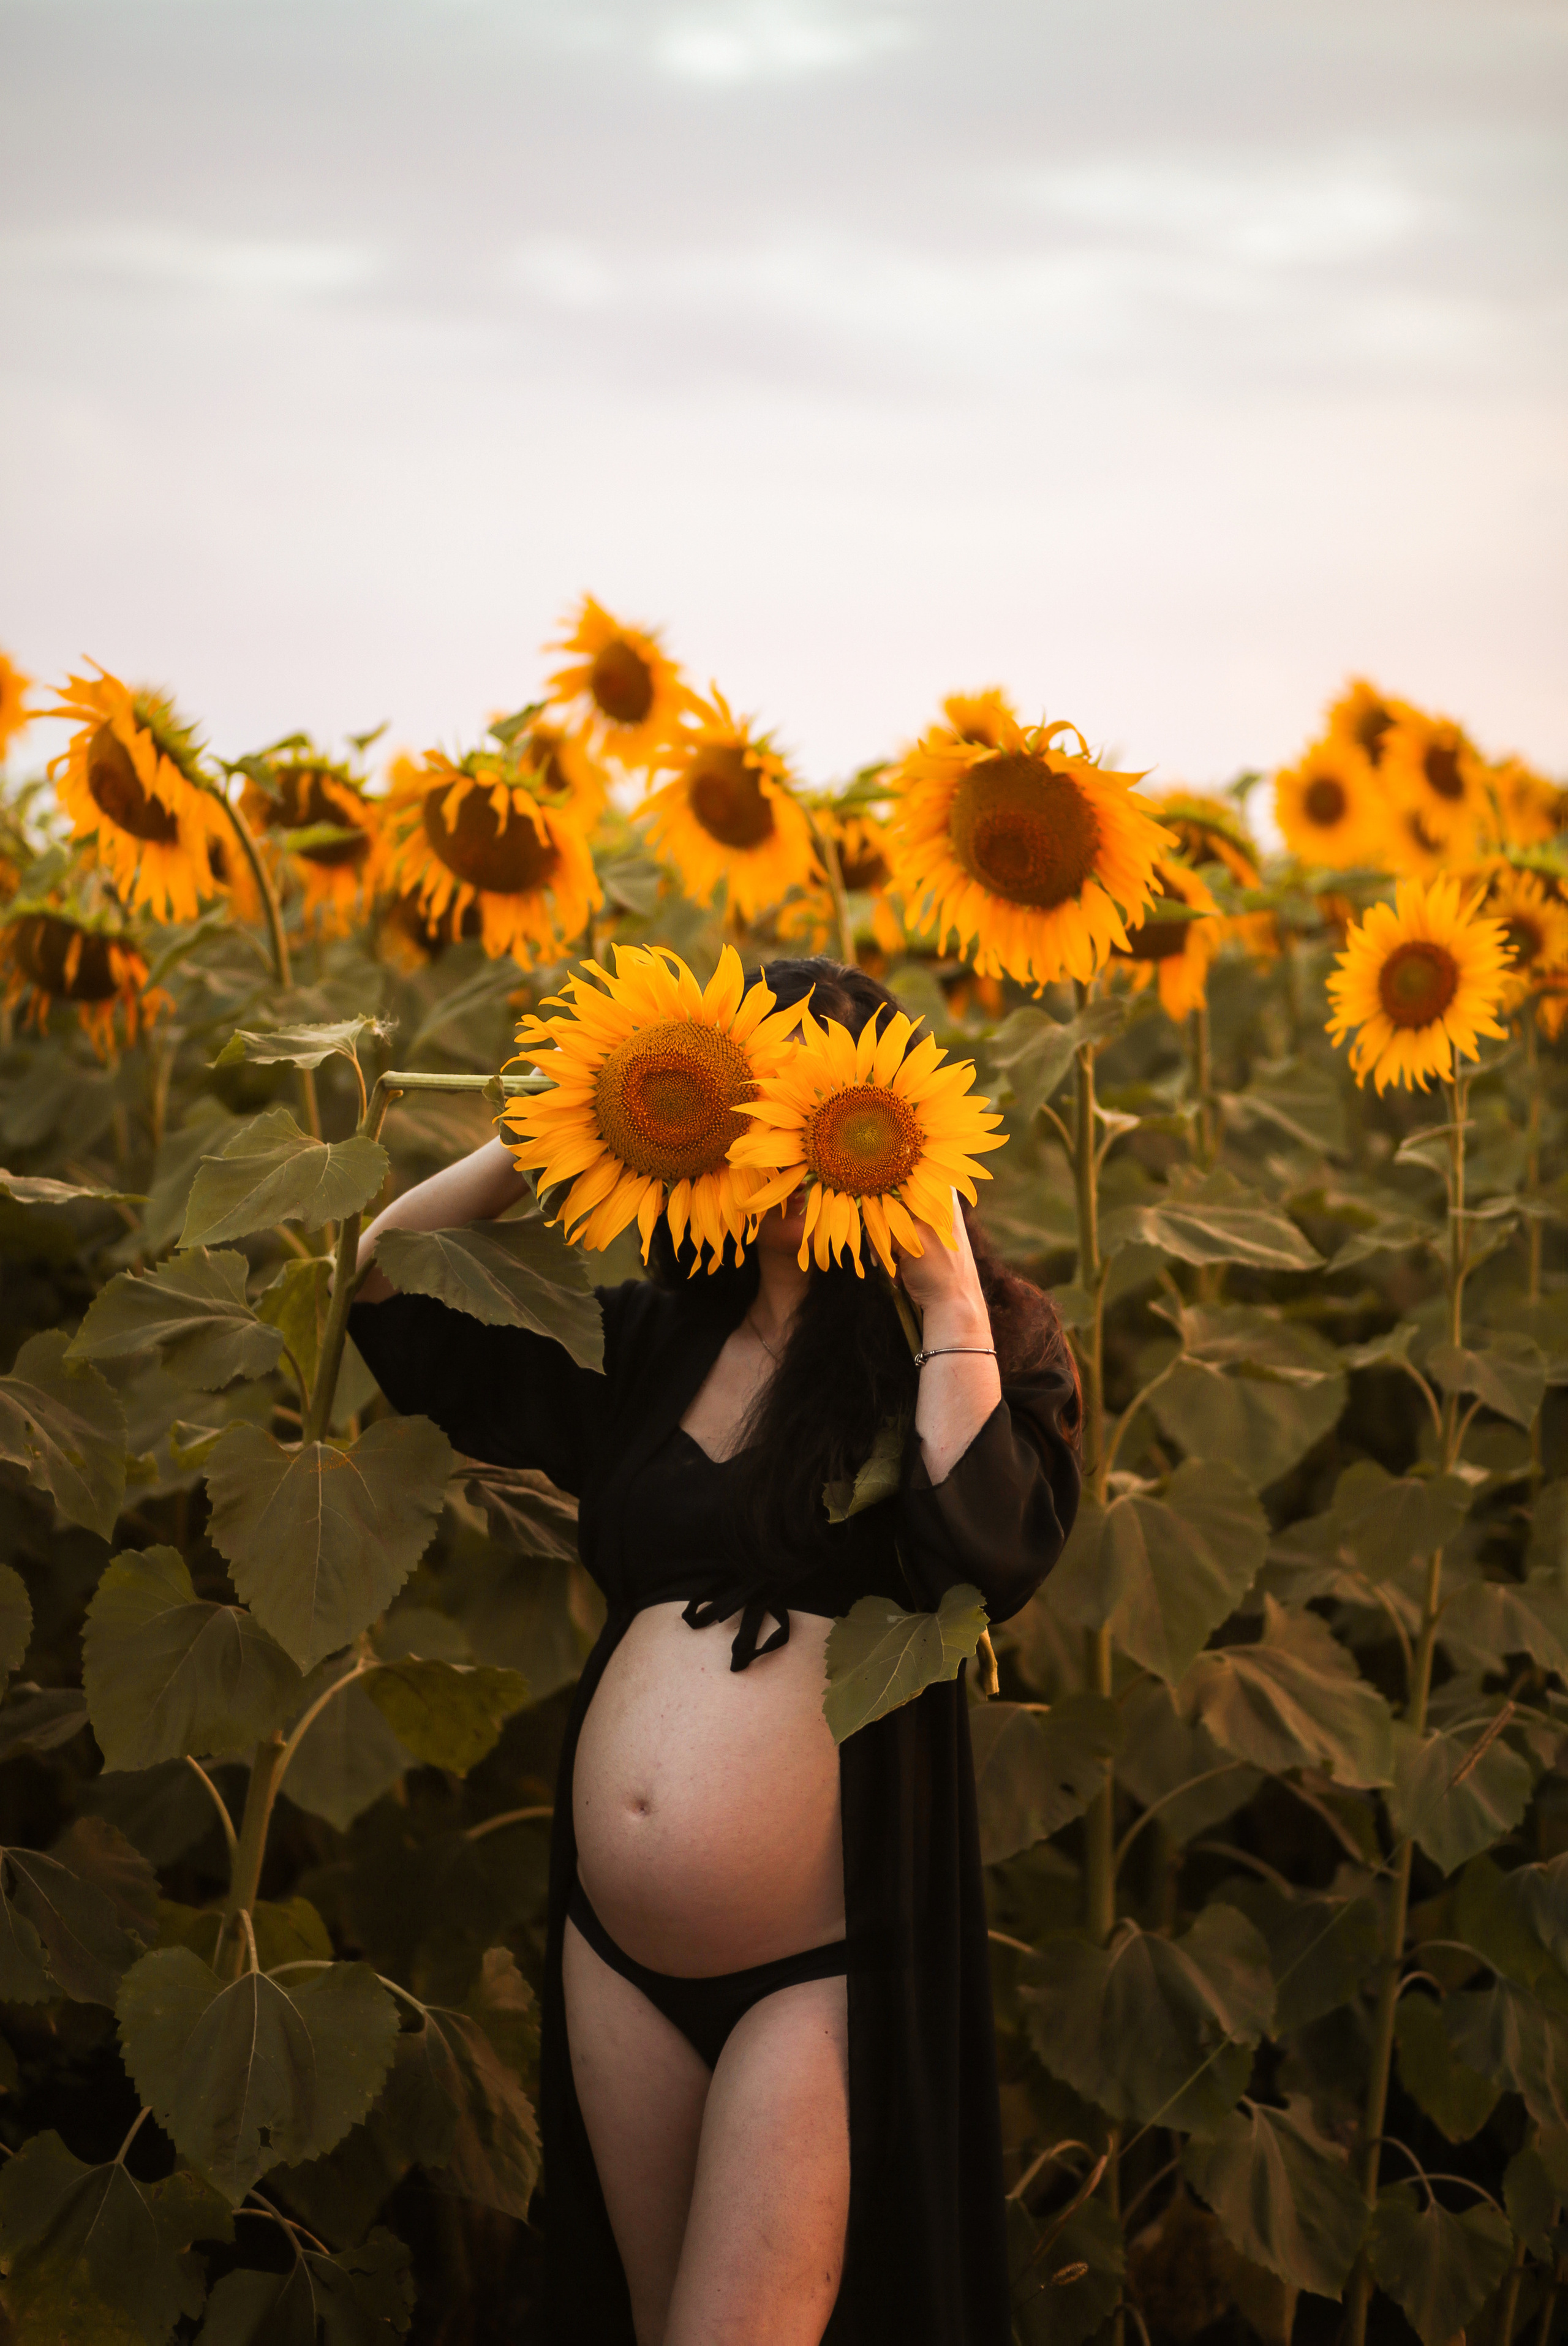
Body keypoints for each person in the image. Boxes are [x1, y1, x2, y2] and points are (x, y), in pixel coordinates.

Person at [347, 957, 1082, 2346]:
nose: (772, 1151)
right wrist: (564, 1123)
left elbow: (996, 1547)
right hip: (614, 1948)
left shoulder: (971, 1348)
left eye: (805, 1111)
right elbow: (386, 1290)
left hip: (821, 1959)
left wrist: (943, 1296)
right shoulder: (643, 1342)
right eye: (749, 1113)